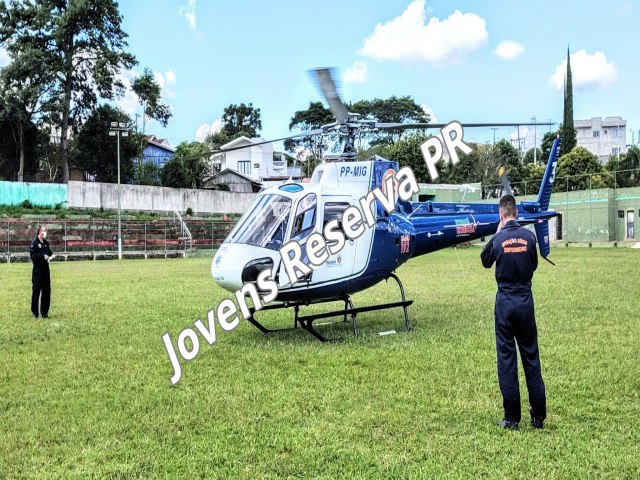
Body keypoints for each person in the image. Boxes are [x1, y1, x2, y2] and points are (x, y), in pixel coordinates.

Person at [480, 195, 546, 430]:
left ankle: (511, 418)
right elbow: (534, 265)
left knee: (507, 360)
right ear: (516, 213)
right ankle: (538, 416)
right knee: (531, 357)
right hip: (525, 302)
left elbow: (485, 260)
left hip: (505, 304)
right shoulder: (529, 237)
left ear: (501, 214)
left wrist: (497, 234)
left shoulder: (499, 239)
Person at [30, 225, 54, 319]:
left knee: (46, 292)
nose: (45, 232)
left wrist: (51, 256)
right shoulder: (34, 243)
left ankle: (44, 313)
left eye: (45, 230)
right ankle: (35, 314)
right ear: (39, 232)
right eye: (43, 230)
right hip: (38, 271)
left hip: (46, 271)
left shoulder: (46, 243)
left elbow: (50, 253)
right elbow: (33, 256)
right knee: (36, 292)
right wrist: (42, 256)